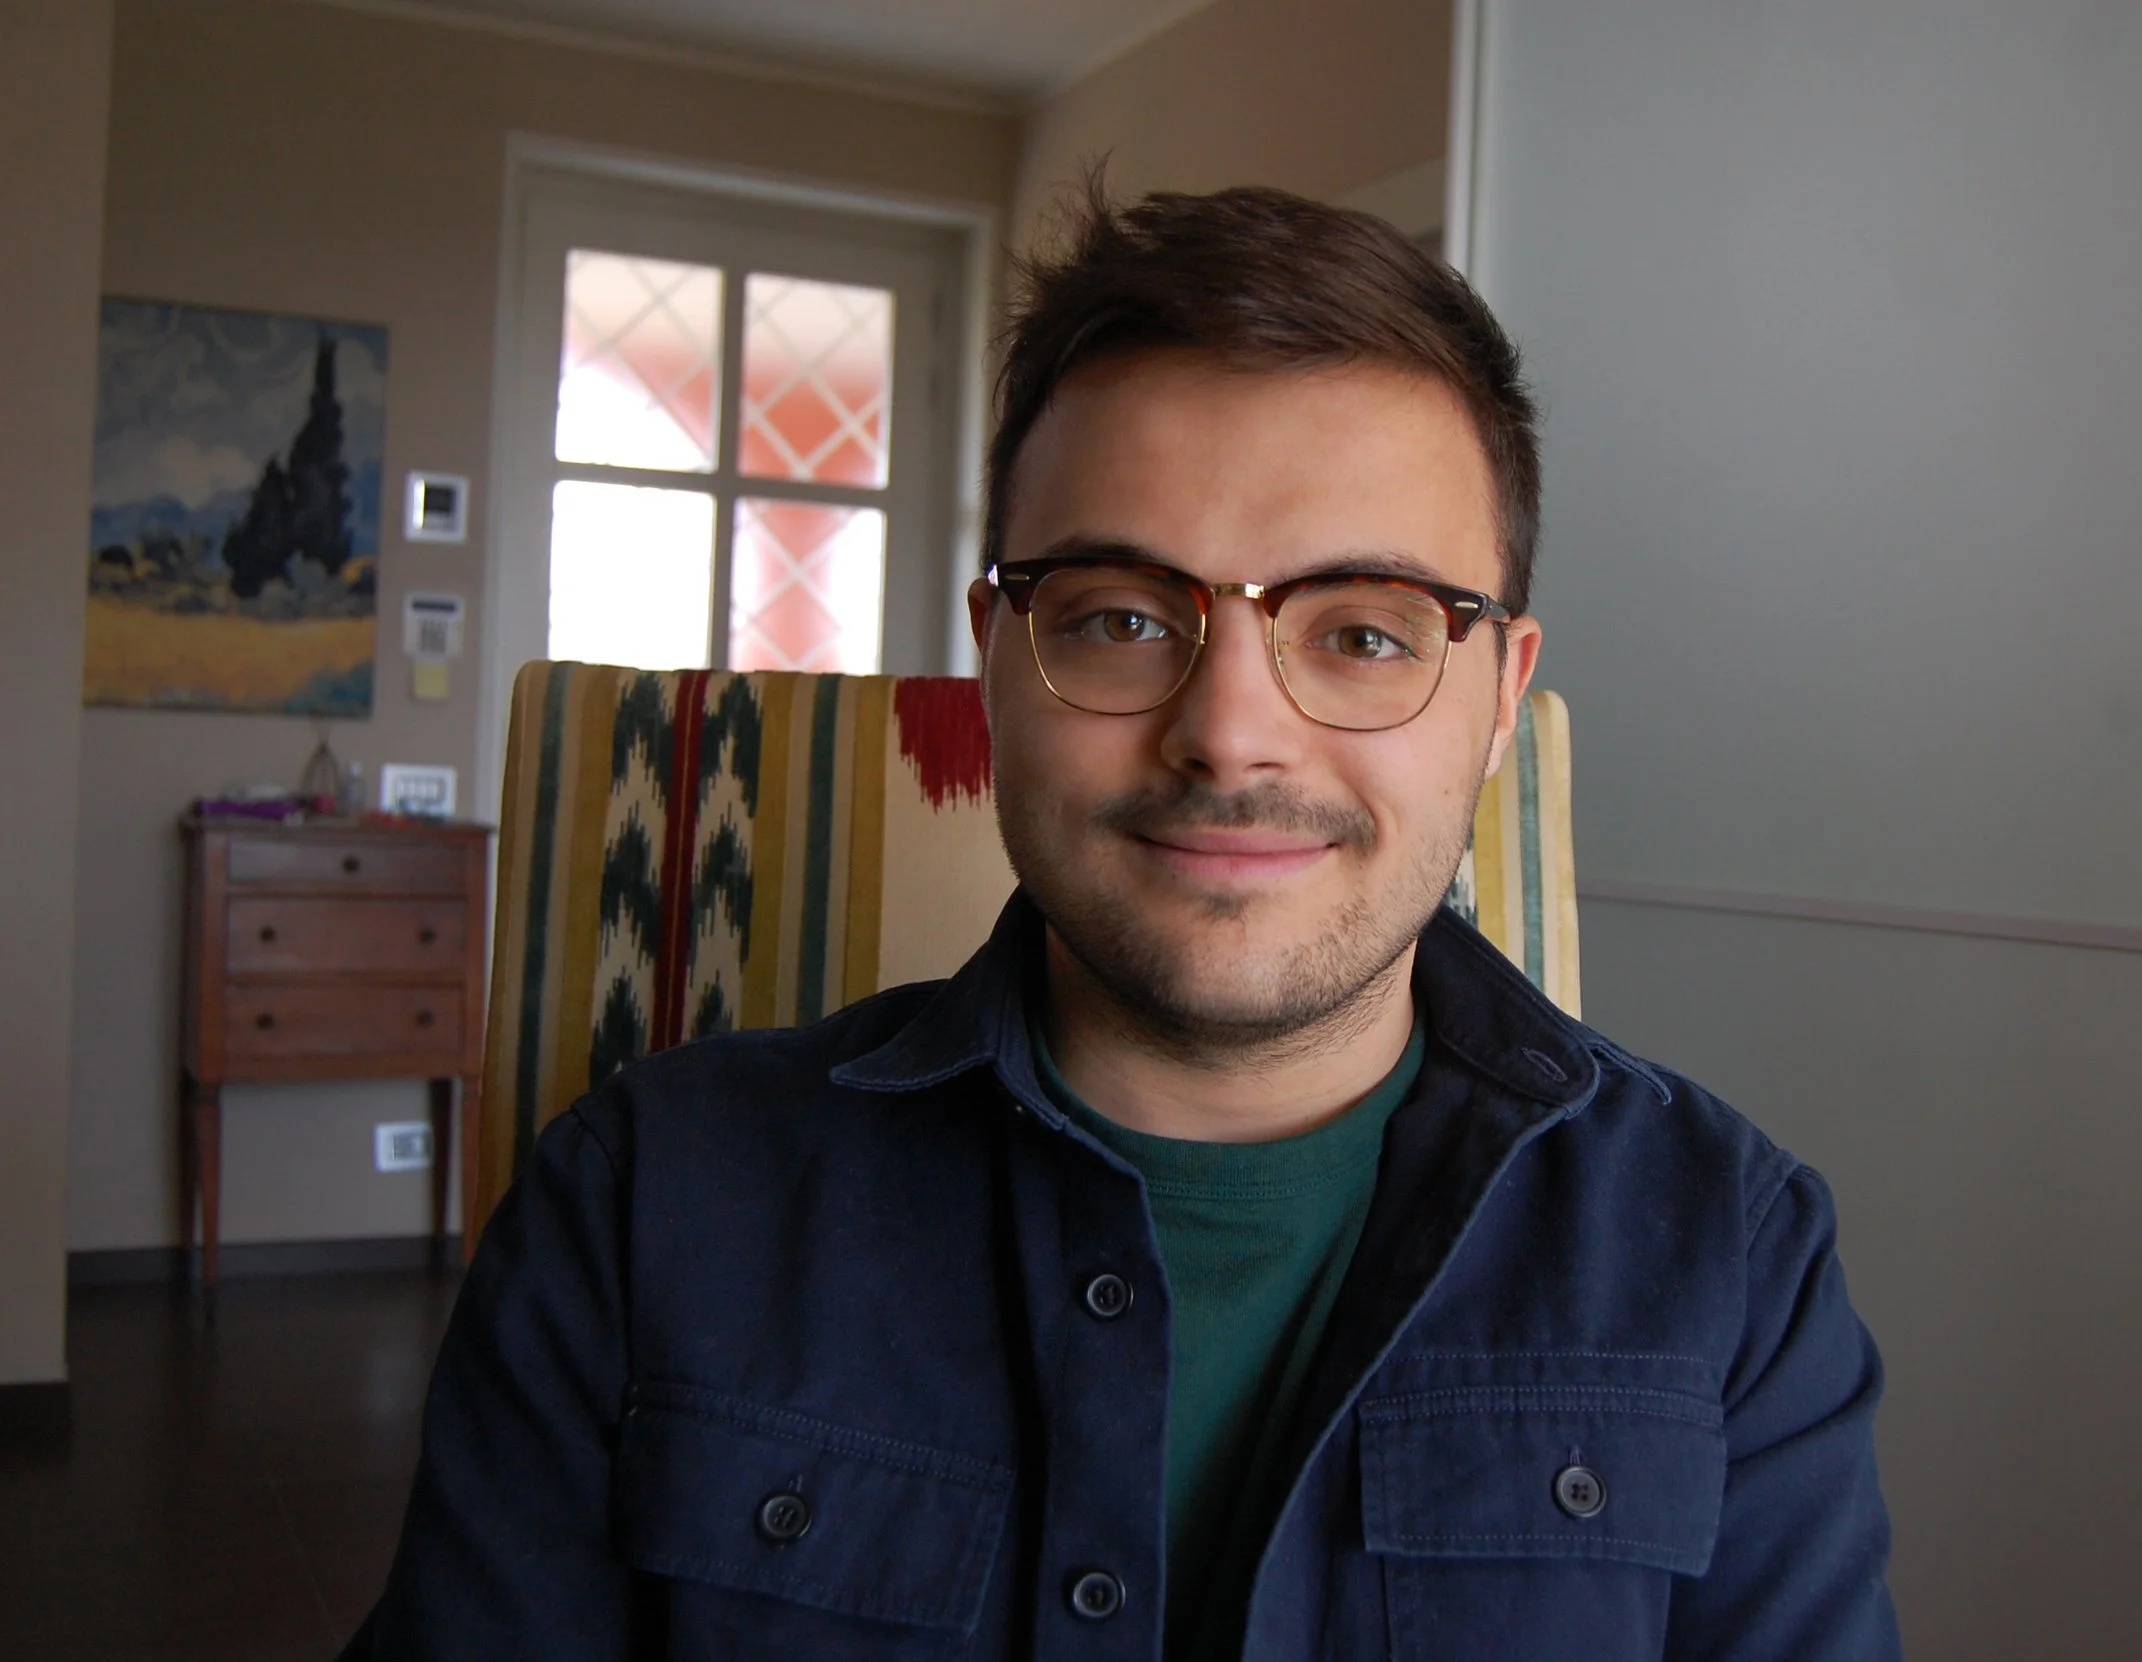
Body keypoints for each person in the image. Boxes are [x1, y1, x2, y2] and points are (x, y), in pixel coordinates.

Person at [345, 181, 1900, 1662]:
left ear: (1500, 697)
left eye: (1362, 632)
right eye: (1122, 619)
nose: (1230, 735)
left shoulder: (1736, 1262)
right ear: (992, 668)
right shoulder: (637, 1205)